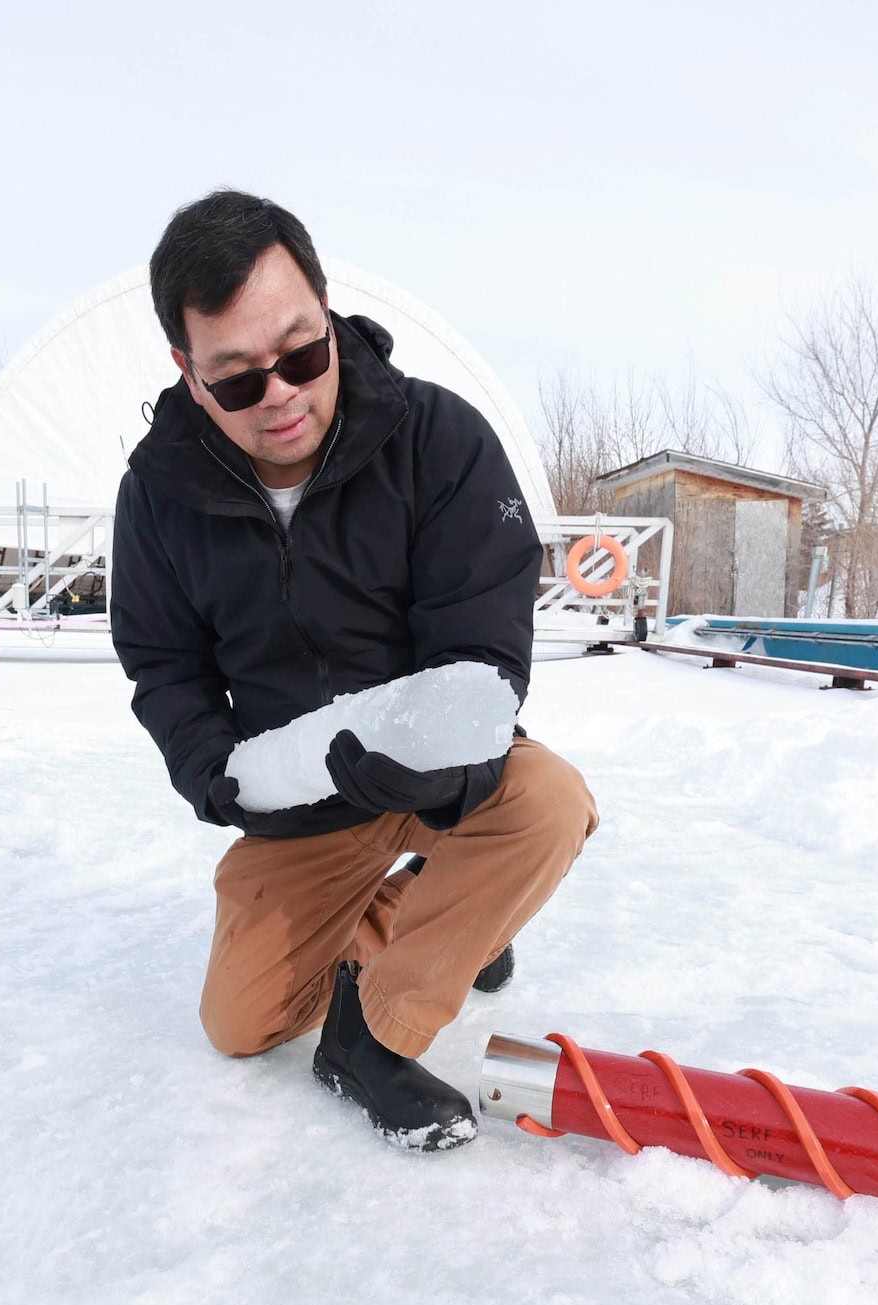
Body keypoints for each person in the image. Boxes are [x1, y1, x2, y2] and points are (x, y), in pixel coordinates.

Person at [110, 190, 599, 1151]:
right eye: (239, 379)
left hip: (438, 769)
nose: (281, 393)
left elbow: (480, 645)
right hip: (304, 794)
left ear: (328, 315)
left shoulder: (439, 439)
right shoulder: (158, 494)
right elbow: (164, 664)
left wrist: (444, 760)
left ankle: (370, 1035)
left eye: (300, 353)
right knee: (240, 1025)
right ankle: (445, 911)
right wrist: (215, 772)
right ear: (187, 369)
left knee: (549, 800)